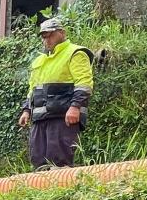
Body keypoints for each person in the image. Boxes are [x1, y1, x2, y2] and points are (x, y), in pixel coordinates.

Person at [18, 18, 94, 169]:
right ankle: (42, 190)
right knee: (38, 161)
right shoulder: (39, 61)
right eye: (44, 36)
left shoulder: (75, 53)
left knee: (59, 161)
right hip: (40, 118)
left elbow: (84, 84)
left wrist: (75, 107)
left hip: (63, 116)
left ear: (62, 33)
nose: (47, 40)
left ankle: (63, 189)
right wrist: (26, 110)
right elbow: (32, 88)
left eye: (50, 35)